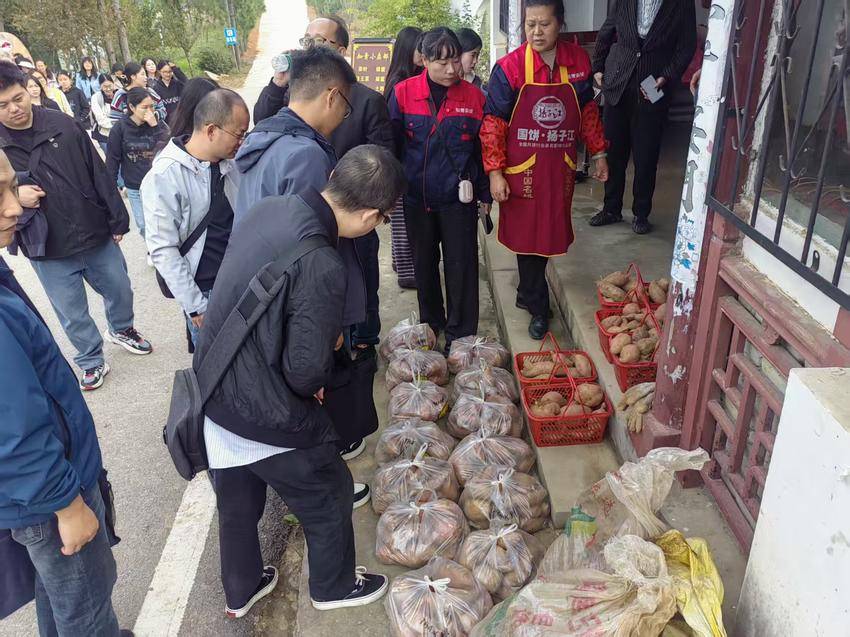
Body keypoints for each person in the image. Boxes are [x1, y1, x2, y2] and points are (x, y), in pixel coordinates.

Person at [198, 144, 404, 618]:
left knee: (236, 502)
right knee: (329, 487)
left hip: (213, 386)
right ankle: (332, 587)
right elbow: (304, 371)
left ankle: (242, 588)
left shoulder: (274, 208)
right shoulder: (323, 262)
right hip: (258, 405)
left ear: (334, 175)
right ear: (372, 216)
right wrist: (330, 350)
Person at [0, 149, 128, 636]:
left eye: (13, 187)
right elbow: (13, 425)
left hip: (40, 491)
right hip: (49, 495)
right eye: (0, 193)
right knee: (86, 607)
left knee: (63, 599)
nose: (15, 207)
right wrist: (66, 503)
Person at [235, 46, 377, 479]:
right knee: (310, 387)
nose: (344, 117)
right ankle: (319, 477)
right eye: (347, 106)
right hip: (295, 301)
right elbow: (315, 247)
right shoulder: (308, 155)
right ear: (333, 96)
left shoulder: (264, 139)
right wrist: (328, 324)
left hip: (260, 291)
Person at [0, 61, 152, 390]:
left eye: (18, 98)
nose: (14, 109)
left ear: (29, 90)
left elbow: (98, 172)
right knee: (71, 311)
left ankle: (122, 328)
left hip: (92, 229)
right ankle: (90, 359)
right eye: (2, 105)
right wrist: (14, 192)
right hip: (47, 245)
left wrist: (117, 218)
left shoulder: (63, 125)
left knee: (119, 288)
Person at [481, 0, 609, 339]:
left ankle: (527, 292)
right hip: (521, 169)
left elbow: (588, 111)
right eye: (530, 24)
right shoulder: (509, 68)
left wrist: (598, 154)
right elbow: (493, 123)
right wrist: (495, 172)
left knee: (547, 233)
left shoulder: (578, 61)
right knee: (527, 238)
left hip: (559, 168)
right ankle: (539, 307)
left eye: (544, 24)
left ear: (561, 23)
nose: (536, 32)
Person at [389, 27, 491, 352]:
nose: (451, 70)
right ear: (423, 59)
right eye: (441, 62)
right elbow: (390, 147)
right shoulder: (403, 93)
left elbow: (483, 150)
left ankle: (461, 338)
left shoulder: (475, 97)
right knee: (424, 266)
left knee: (462, 268)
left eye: (454, 61)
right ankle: (432, 328)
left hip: (457, 201)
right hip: (417, 200)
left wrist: (485, 195)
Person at [142, 89, 248, 347]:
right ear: (211, 130)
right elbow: (163, 249)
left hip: (238, 282)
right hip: (205, 292)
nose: (241, 142)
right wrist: (196, 307)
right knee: (216, 368)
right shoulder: (165, 176)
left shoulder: (230, 166)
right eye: (238, 134)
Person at [589, 0, 696, 234]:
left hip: (653, 82)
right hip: (619, 77)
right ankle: (611, 208)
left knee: (646, 153)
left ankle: (641, 213)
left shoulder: (681, 4)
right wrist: (597, 66)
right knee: (614, 149)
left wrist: (667, 76)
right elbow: (608, 29)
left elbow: (687, 46)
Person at [384, 26, 423, 290]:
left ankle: (404, 265)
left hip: (409, 162)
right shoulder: (400, 84)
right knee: (402, 222)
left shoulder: (412, 77)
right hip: (403, 162)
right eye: (421, 48)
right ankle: (408, 272)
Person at [106, 87, 170, 244]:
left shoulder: (157, 124)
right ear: (132, 107)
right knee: (142, 225)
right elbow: (112, 159)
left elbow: (168, 148)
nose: (149, 110)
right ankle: (153, 248)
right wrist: (110, 186)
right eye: (144, 107)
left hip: (158, 183)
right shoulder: (120, 129)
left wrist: (155, 126)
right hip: (135, 185)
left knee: (163, 222)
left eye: (151, 106)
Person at [91, 79, 117, 153]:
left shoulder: (119, 94)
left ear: (114, 84)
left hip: (120, 133)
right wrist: (117, 124)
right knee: (111, 158)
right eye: (105, 86)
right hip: (103, 134)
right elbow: (100, 118)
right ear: (100, 86)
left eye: (110, 86)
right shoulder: (96, 97)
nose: (108, 89)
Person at [456, 27, 485, 91]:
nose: (475, 61)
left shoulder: (477, 84)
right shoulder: (445, 81)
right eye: (473, 55)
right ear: (459, 52)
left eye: (477, 55)